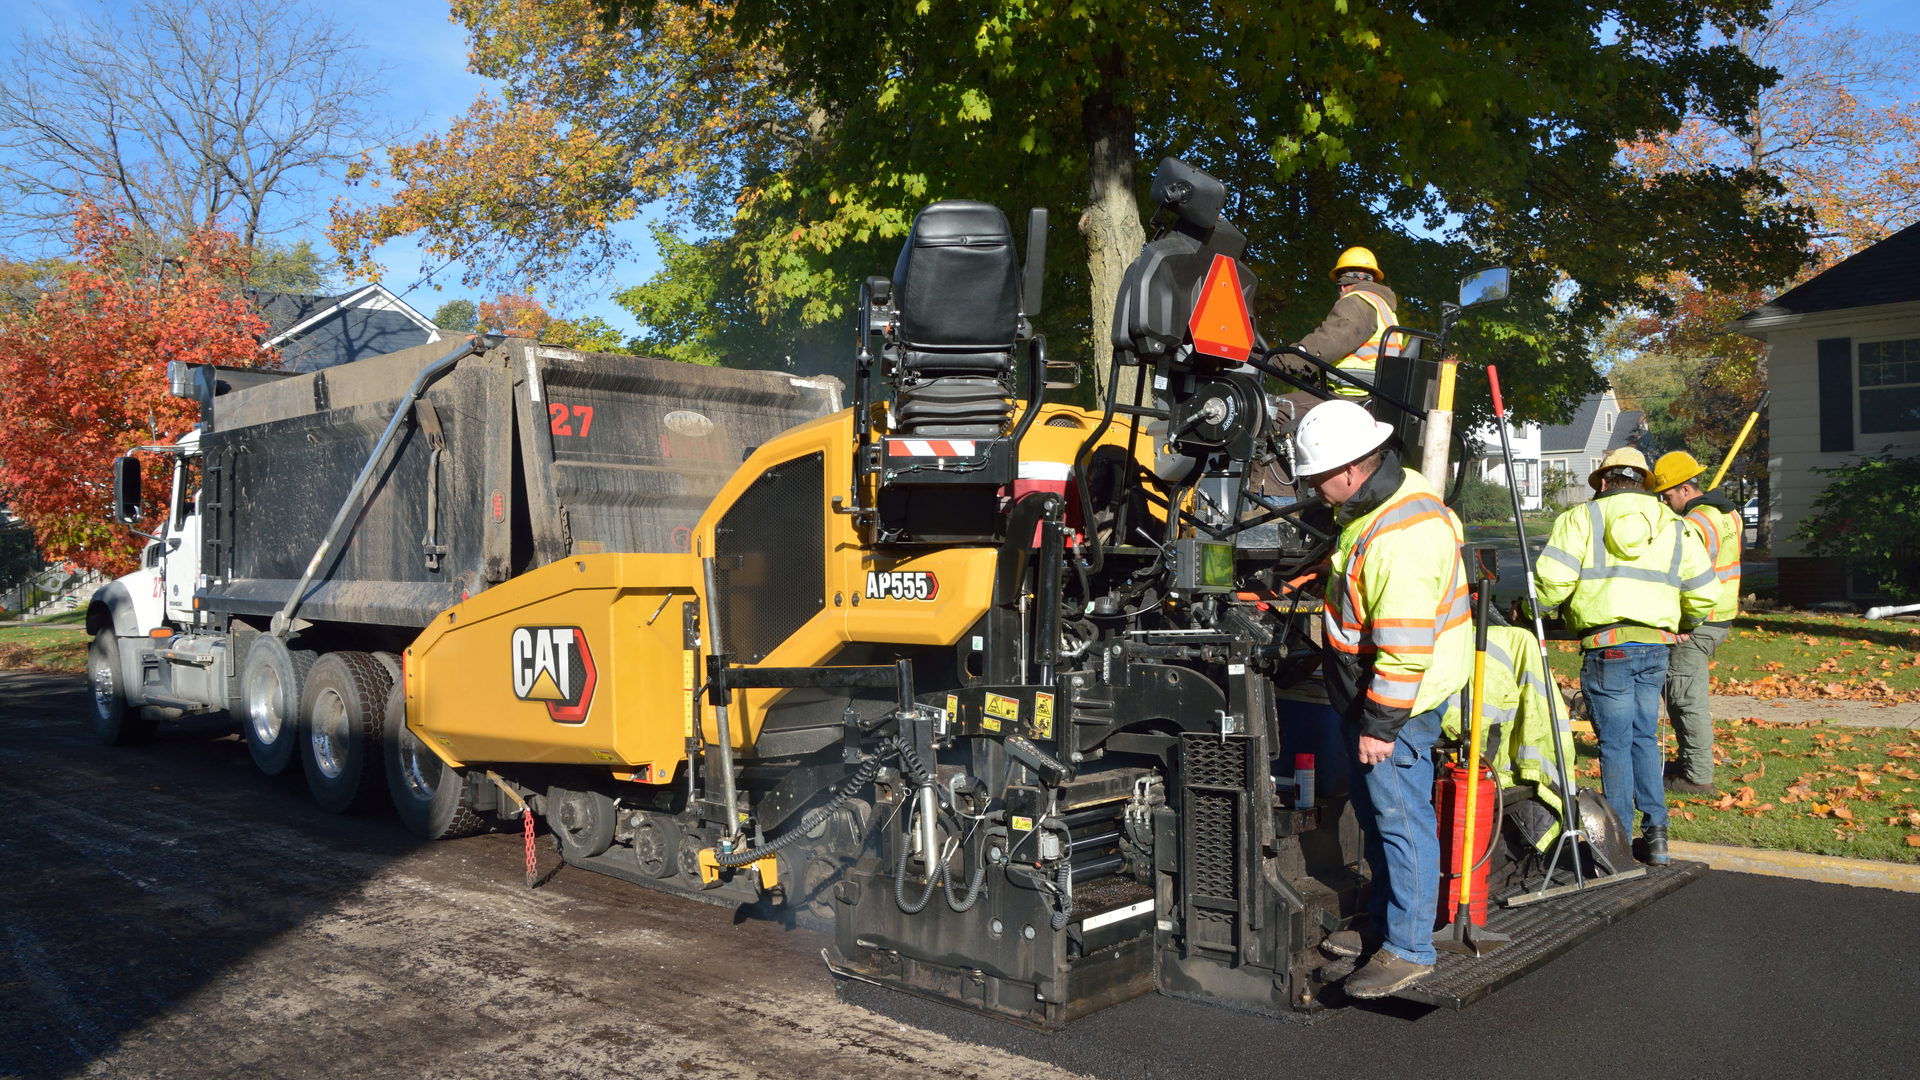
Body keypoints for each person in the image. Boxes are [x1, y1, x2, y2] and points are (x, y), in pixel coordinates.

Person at [1295, 400, 1471, 998]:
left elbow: (1403, 650)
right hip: (1375, 695)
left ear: (1349, 469)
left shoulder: (1404, 534)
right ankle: (1382, 926)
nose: (1315, 490)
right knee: (1377, 817)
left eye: (1317, 478)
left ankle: (1408, 948)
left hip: (1399, 703)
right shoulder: (1386, 500)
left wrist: (1380, 725)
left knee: (1400, 820)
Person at [1534, 448, 1716, 865]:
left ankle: (1616, 844)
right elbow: (1705, 592)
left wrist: (1529, 612)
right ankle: (1657, 838)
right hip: (1656, 646)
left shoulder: (1581, 519)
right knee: (1644, 740)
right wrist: (1682, 621)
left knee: (1614, 745)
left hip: (1607, 646)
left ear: (1602, 481)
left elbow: (1551, 585)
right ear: (1645, 483)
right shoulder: (1674, 524)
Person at [1648, 451, 1743, 795]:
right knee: (1683, 695)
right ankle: (1690, 760)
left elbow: (1686, 577)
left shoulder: (1693, 524)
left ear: (1686, 489)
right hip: (1722, 616)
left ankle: (1698, 777)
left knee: (1686, 699)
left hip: (1699, 621)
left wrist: (1681, 620)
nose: (1664, 500)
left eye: (1667, 494)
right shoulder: (1729, 513)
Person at [1291, 247, 1406, 400]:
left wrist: (1283, 360)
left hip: (1350, 393)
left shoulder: (1357, 302)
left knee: (1275, 412)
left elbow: (1327, 341)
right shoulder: (1383, 306)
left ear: (1343, 285)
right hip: (1372, 392)